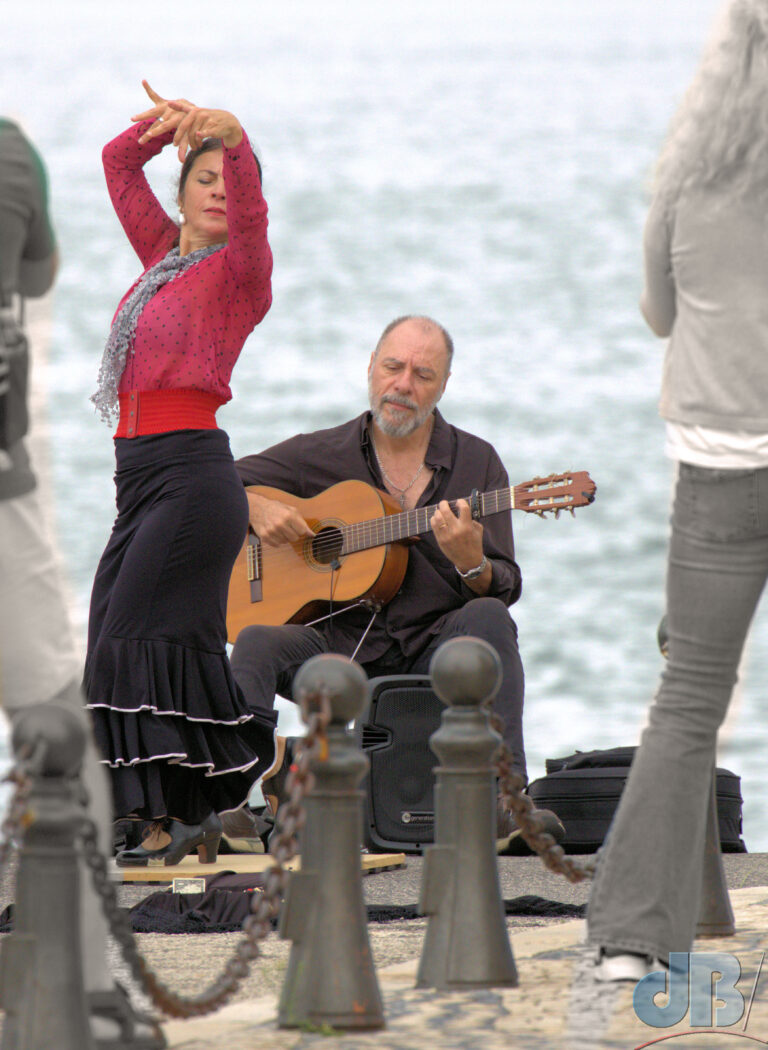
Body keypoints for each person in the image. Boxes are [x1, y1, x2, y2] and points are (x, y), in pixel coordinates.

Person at [229, 314, 564, 851]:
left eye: (423, 374)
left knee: (491, 617)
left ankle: (507, 802)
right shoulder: (319, 455)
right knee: (255, 641)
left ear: (443, 386)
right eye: (393, 367)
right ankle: (232, 805)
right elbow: (218, 479)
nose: (404, 384)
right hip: (334, 647)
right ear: (371, 369)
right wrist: (257, 505)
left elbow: (503, 584)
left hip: (434, 645)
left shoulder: (476, 463)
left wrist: (470, 564)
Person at [587, 0, 768, 980]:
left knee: (689, 698)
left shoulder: (688, 184)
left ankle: (629, 940)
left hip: (721, 469)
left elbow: (659, 314)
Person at [83, 82, 277, 868]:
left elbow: (257, 218)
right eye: (206, 181)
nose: (221, 195)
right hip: (139, 479)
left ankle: (153, 820)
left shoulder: (240, 274)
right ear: (184, 191)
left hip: (195, 479)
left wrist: (233, 139)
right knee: (114, 633)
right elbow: (115, 164)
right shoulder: (164, 257)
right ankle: (182, 813)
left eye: (229, 183)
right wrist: (169, 132)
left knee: (129, 638)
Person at [0, 118, 163, 1049]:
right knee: (60, 720)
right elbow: (41, 279)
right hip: (15, 494)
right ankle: (94, 987)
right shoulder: (11, 154)